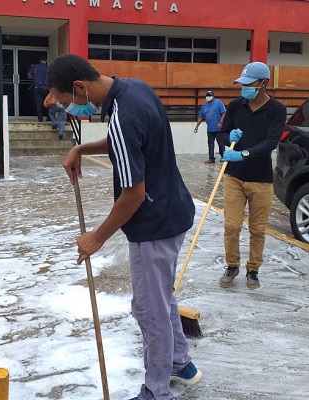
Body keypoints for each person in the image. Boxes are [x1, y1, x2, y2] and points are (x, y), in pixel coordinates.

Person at [48, 54, 202, 400]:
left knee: (149, 309)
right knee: (162, 297)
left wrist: (96, 238)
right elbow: (126, 141)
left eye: (65, 101)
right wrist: (81, 148)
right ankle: (181, 363)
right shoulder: (136, 89)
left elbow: (134, 193)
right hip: (173, 210)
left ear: (79, 87)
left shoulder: (122, 116)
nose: (68, 108)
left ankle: (156, 391)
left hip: (154, 222)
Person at [216, 61, 286, 289]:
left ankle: (253, 270)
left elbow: (271, 143)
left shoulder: (276, 109)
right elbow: (222, 134)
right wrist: (228, 139)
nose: (243, 87)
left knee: (257, 229)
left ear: (263, 83)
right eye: (242, 83)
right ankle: (232, 265)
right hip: (234, 176)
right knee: (232, 225)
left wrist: (243, 154)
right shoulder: (236, 105)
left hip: (261, 179)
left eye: (249, 83)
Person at [194, 90, 226, 164]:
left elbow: (224, 112)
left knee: (220, 143)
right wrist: (197, 126)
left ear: (213, 96)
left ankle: (223, 156)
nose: (208, 97)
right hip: (210, 129)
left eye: (210, 95)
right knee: (210, 144)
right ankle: (211, 158)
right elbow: (200, 117)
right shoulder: (204, 106)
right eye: (207, 95)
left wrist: (220, 122)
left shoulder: (218, 103)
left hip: (218, 128)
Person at [31, 55, 49, 122]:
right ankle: (48, 117)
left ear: (40, 61)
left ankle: (40, 119)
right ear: (46, 61)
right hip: (45, 88)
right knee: (47, 103)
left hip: (37, 88)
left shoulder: (35, 67)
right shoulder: (47, 68)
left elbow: (30, 74)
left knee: (39, 104)